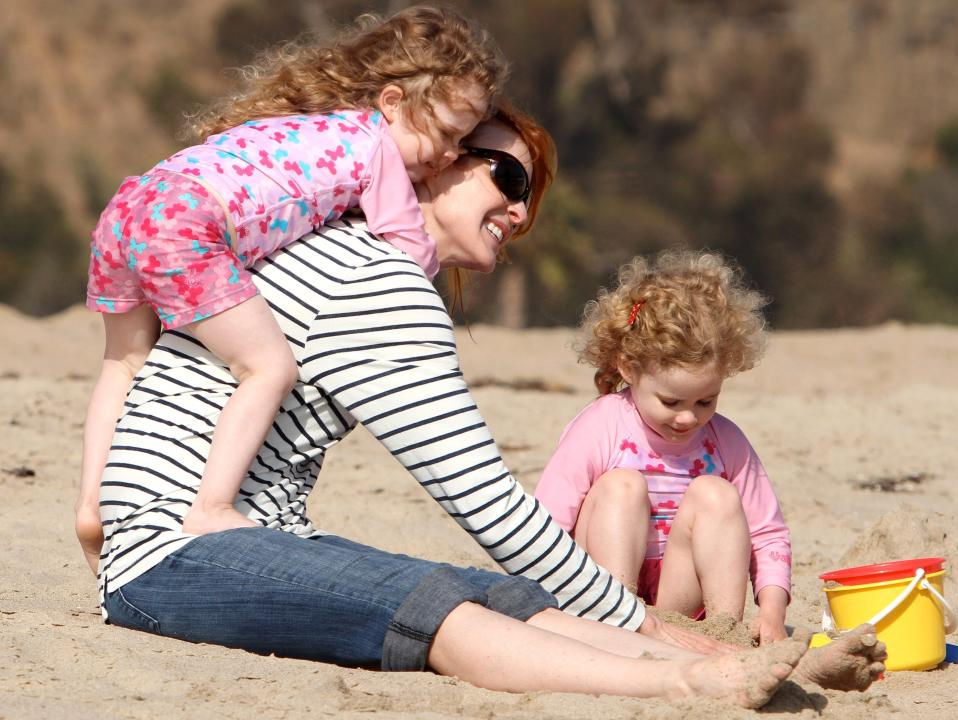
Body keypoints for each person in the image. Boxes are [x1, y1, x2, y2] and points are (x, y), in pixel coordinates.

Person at [80, 106, 885, 707]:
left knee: (488, 592)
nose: (521, 210)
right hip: (175, 559)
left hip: (225, 542)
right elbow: (490, 505)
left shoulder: (346, 252)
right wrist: (649, 628)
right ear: (431, 161)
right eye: (505, 175)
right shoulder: (381, 284)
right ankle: (683, 681)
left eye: (530, 194)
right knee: (441, 610)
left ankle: (739, 662)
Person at [76, 5, 505, 557]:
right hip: (187, 219)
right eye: (445, 134)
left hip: (133, 204)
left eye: (463, 142)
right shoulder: (378, 152)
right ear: (392, 103)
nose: (447, 155)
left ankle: (92, 505)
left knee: (123, 364)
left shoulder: (305, 124)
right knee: (269, 367)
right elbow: (406, 247)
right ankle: (211, 508)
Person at [534, 250, 792, 644]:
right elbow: (547, 524)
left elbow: (767, 533)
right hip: (604, 589)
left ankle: (724, 634)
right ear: (628, 368)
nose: (688, 418)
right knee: (621, 486)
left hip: (680, 601)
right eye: (670, 402)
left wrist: (772, 614)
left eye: (706, 401)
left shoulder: (726, 441)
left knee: (717, 494)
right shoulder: (601, 425)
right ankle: (618, 625)